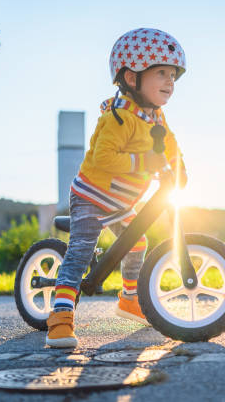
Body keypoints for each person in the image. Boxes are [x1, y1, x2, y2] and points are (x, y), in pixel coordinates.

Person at [46, 28, 188, 347]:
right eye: (161, 73)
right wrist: (144, 165)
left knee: (136, 243)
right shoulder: (118, 118)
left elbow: (170, 146)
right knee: (82, 249)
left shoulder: (156, 118)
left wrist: (179, 169)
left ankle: (129, 299)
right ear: (131, 77)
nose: (170, 81)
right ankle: (61, 315)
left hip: (122, 202)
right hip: (90, 197)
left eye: (173, 75)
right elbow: (105, 158)